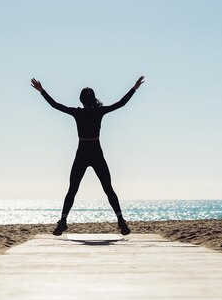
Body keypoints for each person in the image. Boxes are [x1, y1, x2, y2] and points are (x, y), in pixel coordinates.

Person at [31, 76, 145, 235]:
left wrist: (42, 91)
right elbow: (121, 103)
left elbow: (55, 105)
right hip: (96, 152)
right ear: (93, 99)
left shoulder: (78, 113)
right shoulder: (99, 111)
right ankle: (121, 222)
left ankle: (63, 222)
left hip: (83, 153)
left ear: (81, 100)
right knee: (108, 189)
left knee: (73, 189)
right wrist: (134, 88)